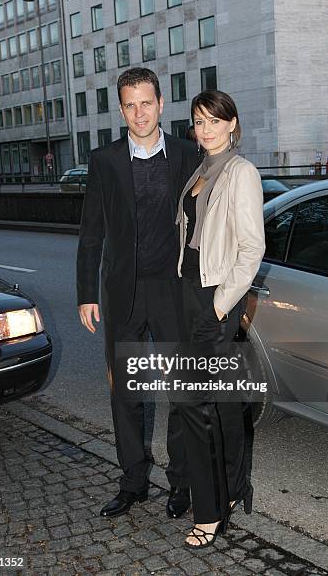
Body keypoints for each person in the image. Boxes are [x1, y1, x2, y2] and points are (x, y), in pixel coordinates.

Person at [77, 68, 199, 519]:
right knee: (127, 393)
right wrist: (86, 292)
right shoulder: (105, 160)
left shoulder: (188, 155)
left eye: (146, 102)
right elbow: (91, 232)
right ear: (122, 109)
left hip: (173, 291)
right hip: (123, 293)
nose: (138, 112)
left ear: (161, 104)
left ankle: (181, 483)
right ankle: (133, 481)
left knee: (181, 390)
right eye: (130, 104)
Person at [175, 90, 265, 548]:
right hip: (192, 294)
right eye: (198, 121)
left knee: (197, 407)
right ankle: (233, 488)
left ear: (232, 123)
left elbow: (251, 249)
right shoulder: (200, 169)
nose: (206, 129)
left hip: (214, 301)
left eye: (214, 120)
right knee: (226, 404)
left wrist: (219, 304)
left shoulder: (240, 172)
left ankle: (209, 513)